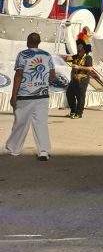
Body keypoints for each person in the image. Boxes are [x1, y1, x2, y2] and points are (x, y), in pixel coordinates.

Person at [3, 33, 56, 161]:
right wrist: (44, 84)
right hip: (42, 96)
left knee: (20, 123)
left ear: (28, 41)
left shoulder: (23, 55)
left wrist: (14, 95)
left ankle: (14, 149)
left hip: (25, 95)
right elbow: (53, 74)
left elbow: (19, 75)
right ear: (39, 42)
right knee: (41, 124)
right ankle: (43, 151)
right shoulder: (46, 55)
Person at [65, 39, 93, 119]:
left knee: (80, 97)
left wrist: (79, 67)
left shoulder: (88, 57)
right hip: (73, 79)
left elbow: (90, 68)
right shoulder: (76, 56)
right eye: (78, 46)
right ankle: (73, 111)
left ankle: (79, 113)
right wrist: (67, 59)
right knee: (69, 94)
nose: (78, 48)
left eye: (80, 46)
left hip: (82, 80)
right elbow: (69, 61)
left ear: (84, 49)